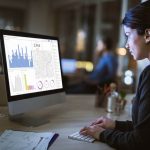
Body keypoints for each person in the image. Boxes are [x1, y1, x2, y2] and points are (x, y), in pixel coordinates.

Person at [80, 1, 150, 150]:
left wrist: (101, 134)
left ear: (147, 34)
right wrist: (115, 124)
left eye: (128, 35)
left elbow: (140, 141)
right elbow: (145, 130)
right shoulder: (146, 73)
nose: (126, 44)